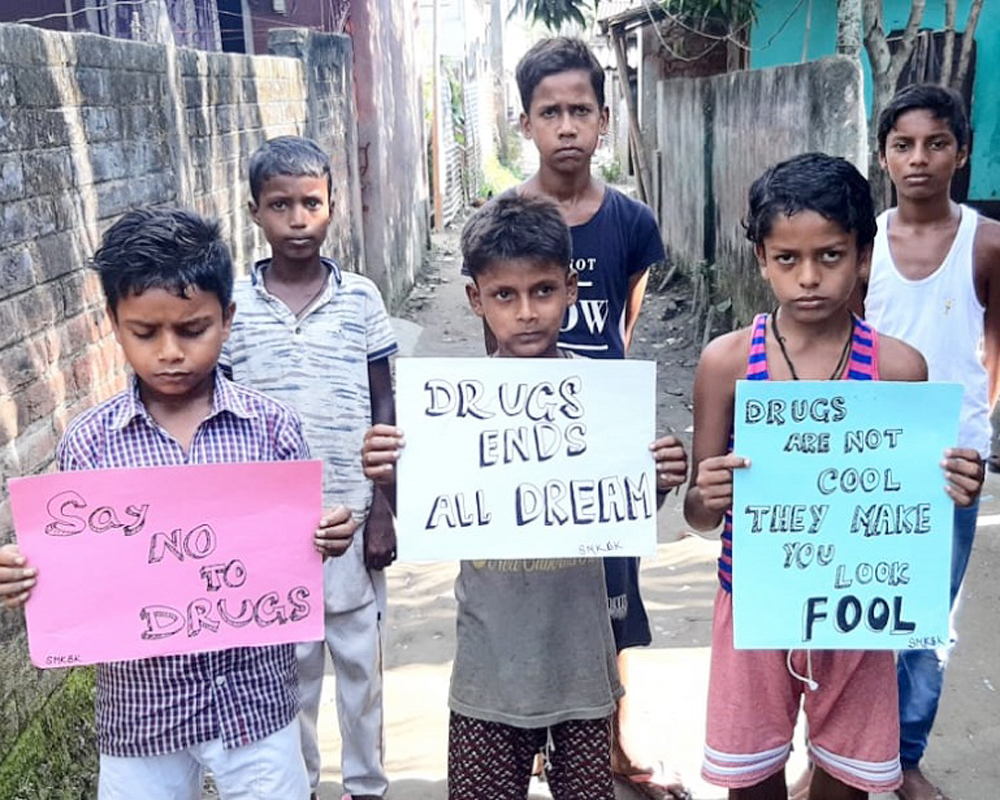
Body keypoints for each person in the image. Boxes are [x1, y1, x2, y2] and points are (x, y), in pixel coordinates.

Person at [0, 207, 357, 799]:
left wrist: (327, 534)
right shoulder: (89, 445)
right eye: (145, 333)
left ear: (227, 318)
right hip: (142, 710)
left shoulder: (272, 429)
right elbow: (76, 575)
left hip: (253, 704)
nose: (169, 352)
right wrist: (29, 577)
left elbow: (295, 552)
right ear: (114, 324)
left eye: (193, 330)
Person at [362, 195, 689, 800]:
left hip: (581, 661)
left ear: (570, 290)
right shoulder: (450, 412)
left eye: (542, 291)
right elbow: (429, 517)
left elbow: (625, 513)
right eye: (504, 295)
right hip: (490, 666)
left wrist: (661, 478)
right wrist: (387, 476)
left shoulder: (600, 399)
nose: (526, 312)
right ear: (475, 299)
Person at [683, 153, 984, 800]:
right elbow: (698, 514)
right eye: (787, 258)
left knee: (846, 781)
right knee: (751, 781)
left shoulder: (898, 369)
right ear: (761, 259)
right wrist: (708, 494)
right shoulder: (727, 363)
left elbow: (910, 507)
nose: (809, 277)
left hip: (858, 609)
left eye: (831, 255)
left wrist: (953, 485)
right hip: (755, 601)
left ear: (864, 257)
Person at [485, 38, 676, 794]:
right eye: (549, 112)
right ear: (525, 122)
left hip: (603, 437)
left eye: (580, 110)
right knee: (533, 579)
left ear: (603, 119)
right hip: (523, 435)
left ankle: (616, 732)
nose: (566, 126)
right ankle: (535, 725)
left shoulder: (631, 220)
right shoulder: (501, 220)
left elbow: (624, 321)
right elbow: (494, 342)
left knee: (612, 588)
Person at [220, 136, 397, 800]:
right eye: (280, 205)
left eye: (311, 203)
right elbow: (222, 412)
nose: (298, 219)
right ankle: (300, 786)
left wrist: (383, 509)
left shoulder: (361, 299)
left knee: (361, 669)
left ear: (332, 207)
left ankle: (367, 786)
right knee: (290, 677)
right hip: (271, 531)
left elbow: (384, 406)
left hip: (351, 518)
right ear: (255, 212)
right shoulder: (232, 307)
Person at [863, 84, 1000, 800]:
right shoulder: (862, 245)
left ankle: (904, 756)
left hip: (950, 462)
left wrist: (976, 430)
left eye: (936, 143)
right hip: (866, 457)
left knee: (926, 619)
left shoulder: (988, 243)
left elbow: (993, 349)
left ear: (962, 152)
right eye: (903, 145)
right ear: (884, 155)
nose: (919, 159)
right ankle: (840, 754)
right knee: (853, 604)